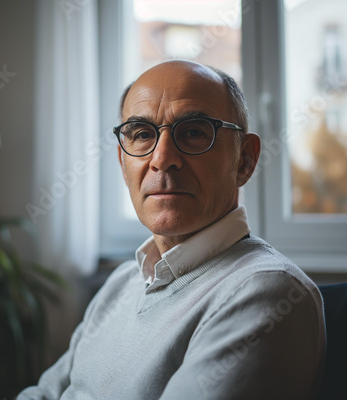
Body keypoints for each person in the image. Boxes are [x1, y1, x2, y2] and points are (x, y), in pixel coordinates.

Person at [18, 60, 325, 399]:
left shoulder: (266, 291)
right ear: (123, 163)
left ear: (244, 160)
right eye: (142, 134)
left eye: (193, 132)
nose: (162, 158)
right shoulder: (121, 284)